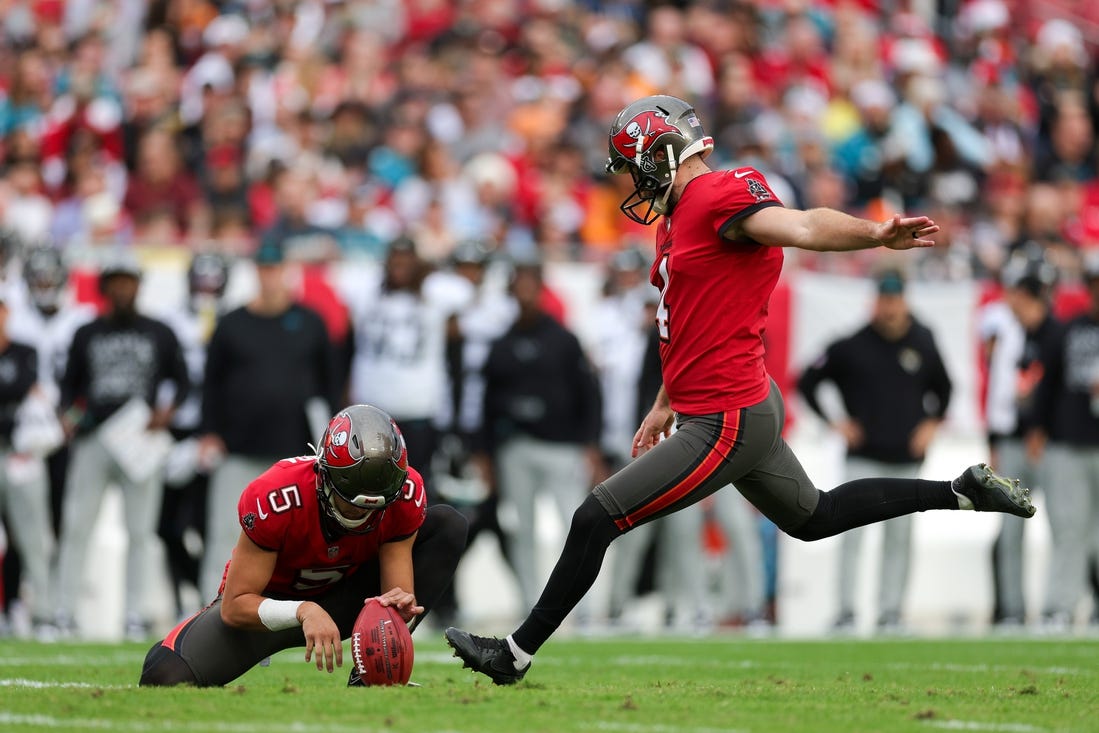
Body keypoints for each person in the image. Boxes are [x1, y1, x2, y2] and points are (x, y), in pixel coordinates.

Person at [444, 94, 1036, 684]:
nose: (633, 182)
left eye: (635, 164)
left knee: (595, 517)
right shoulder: (678, 217)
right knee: (815, 515)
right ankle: (961, 492)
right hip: (725, 406)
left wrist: (875, 232)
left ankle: (514, 655)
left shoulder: (720, 194)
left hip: (726, 417)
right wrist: (663, 402)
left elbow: (801, 225)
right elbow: (686, 321)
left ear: (663, 153)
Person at [139, 404, 469, 687]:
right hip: (270, 608)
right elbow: (235, 604)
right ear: (324, 475)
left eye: (375, 506)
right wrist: (303, 611)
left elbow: (394, 594)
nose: (364, 514)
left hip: (347, 599)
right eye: (351, 502)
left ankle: (371, 676)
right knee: (163, 675)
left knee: (447, 525)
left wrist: (397, 605)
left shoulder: (406, 493)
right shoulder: (278, 496)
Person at [797, 268, 953, 633]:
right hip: (863, 459)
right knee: (852, 536)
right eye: (884, 299)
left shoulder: (923, 339)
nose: (890, 307)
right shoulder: (852, 345)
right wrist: (834, 422)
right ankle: (846, 611)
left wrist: (932, 424)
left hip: (905, 460)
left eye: (895, 298)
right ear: (875, 300)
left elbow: (945, 389)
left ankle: (891, 612)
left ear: (905, 299)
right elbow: (808, 380)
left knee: (899, 540)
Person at [54, 248, 190, 640]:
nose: (122, 289)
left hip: (139, 438)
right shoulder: (87, 332)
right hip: (94, 437)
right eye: (116, 282)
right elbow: (69, 389)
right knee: (78, 525)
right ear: (105, 287)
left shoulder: (158, 331)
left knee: (141, 531)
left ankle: (135, 611)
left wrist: (167, 412)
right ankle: (64, 609)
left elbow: (182, 381)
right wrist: (70, 418)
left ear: (138, 286)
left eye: (128, 281)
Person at [198, 241, 339, 601]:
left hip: (297, 455)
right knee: (225, 532)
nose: (270, 276)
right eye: (264, 268)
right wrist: (210, 433)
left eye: (275, 268)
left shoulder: (310, 322)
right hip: (238, 447)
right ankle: (211, 611)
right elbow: (211, 383)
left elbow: (331, 385)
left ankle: (289, 614)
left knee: (295, 539)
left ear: (286, 271)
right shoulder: (232, 324)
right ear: (255, 272)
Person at [477, 258, 602, 612]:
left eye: (532, 285)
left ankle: (584, 606)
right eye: (520, 285)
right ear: (512, 291)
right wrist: (485, 453)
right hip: (516, 447)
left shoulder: (564, 339)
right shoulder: (501, 345)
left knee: (575, 526)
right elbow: (487, 403)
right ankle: (532, 604)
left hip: (562, 447)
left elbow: (589, 393)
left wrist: (590, 443)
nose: (527, 293)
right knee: (523, 530)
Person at [1031, 255, 1099, 630]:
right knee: (1069, 530)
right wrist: (1037, 430)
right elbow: (1047, 386)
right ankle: (1059, 606)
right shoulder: (1066, 331)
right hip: (1069, 443)